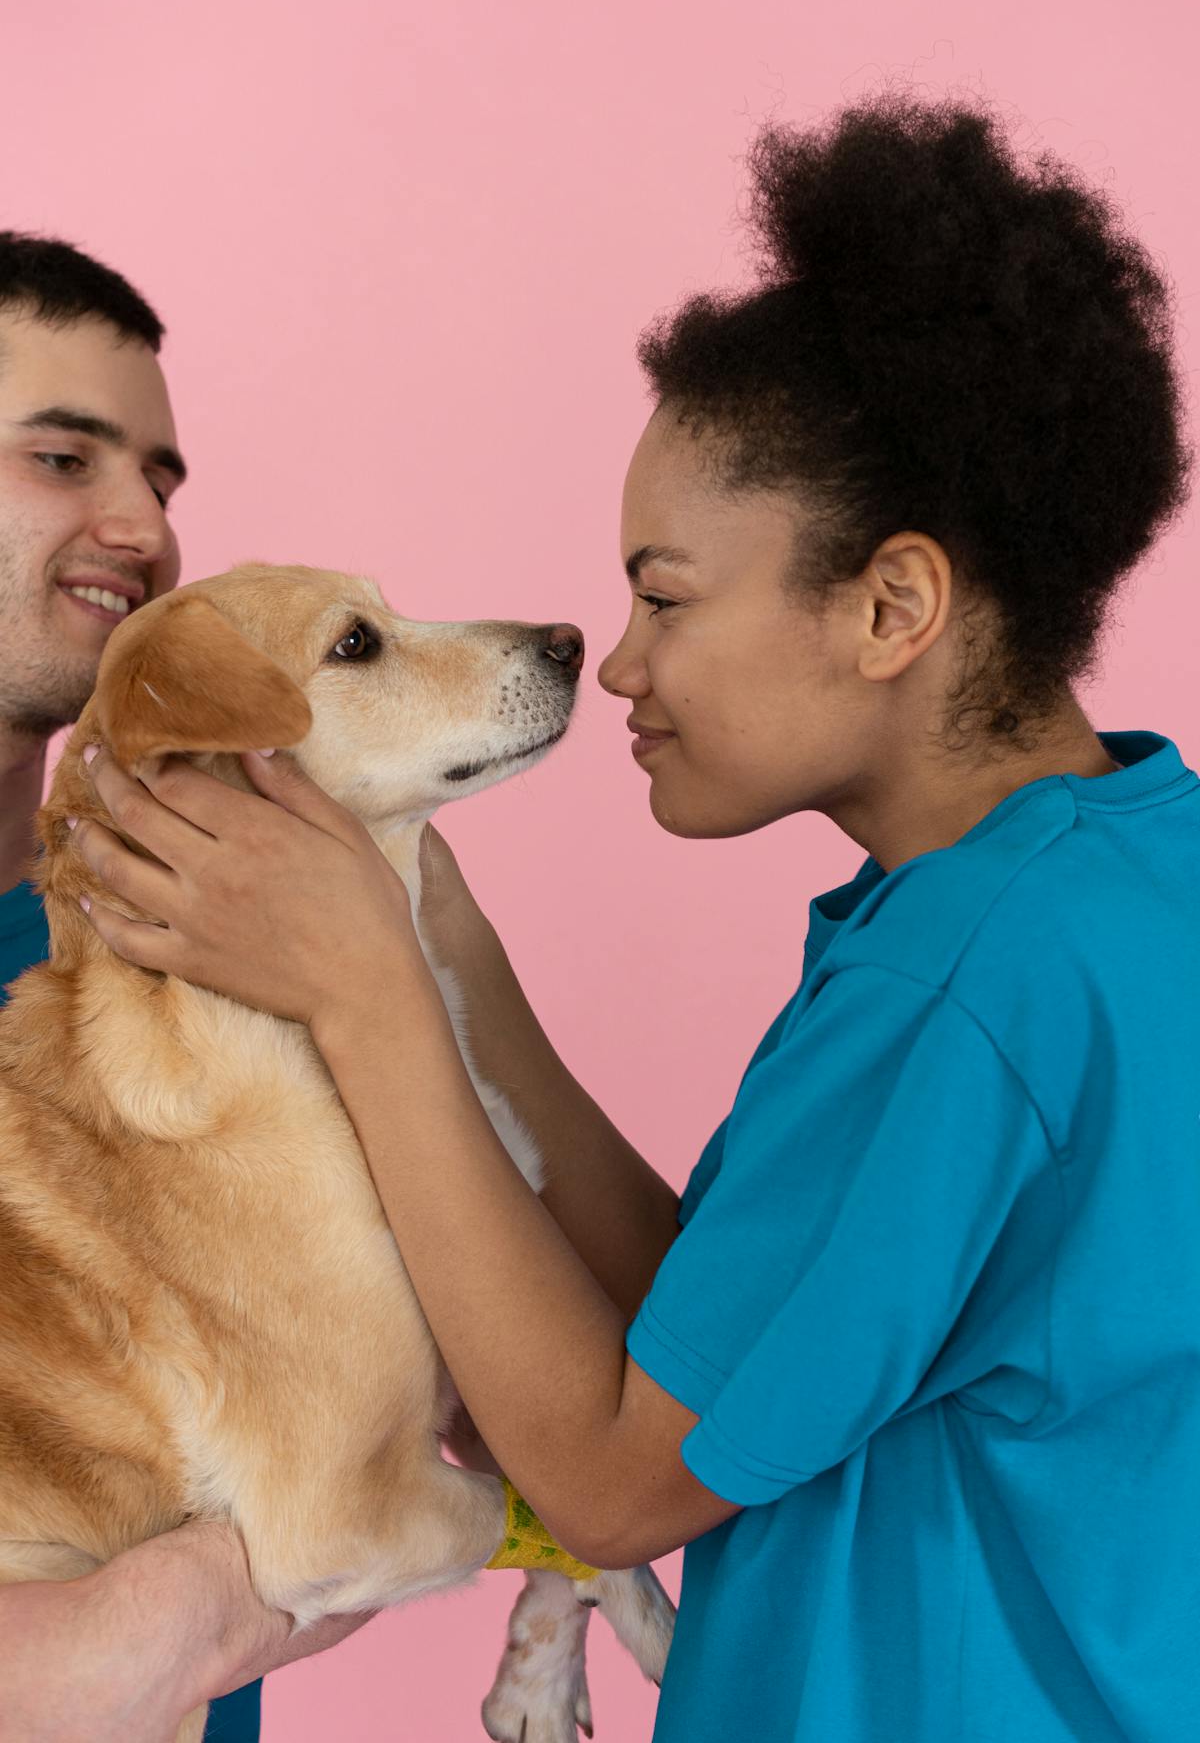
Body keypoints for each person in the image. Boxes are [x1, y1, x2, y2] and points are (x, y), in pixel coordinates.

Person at [16, 85, 1200, 1740]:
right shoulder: (1086, 891)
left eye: (665, 598)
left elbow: (612, 1476)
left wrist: (378, 1001)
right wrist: (457, 964)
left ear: (893, 605)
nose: (619, 661)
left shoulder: (963, 992)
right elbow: (713, 1335)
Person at [0, 235, 367, 1741]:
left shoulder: (189, 942)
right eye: (62, 455)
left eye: (159, 477)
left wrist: (176, 1613)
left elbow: (395, 1413)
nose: (142, 527)